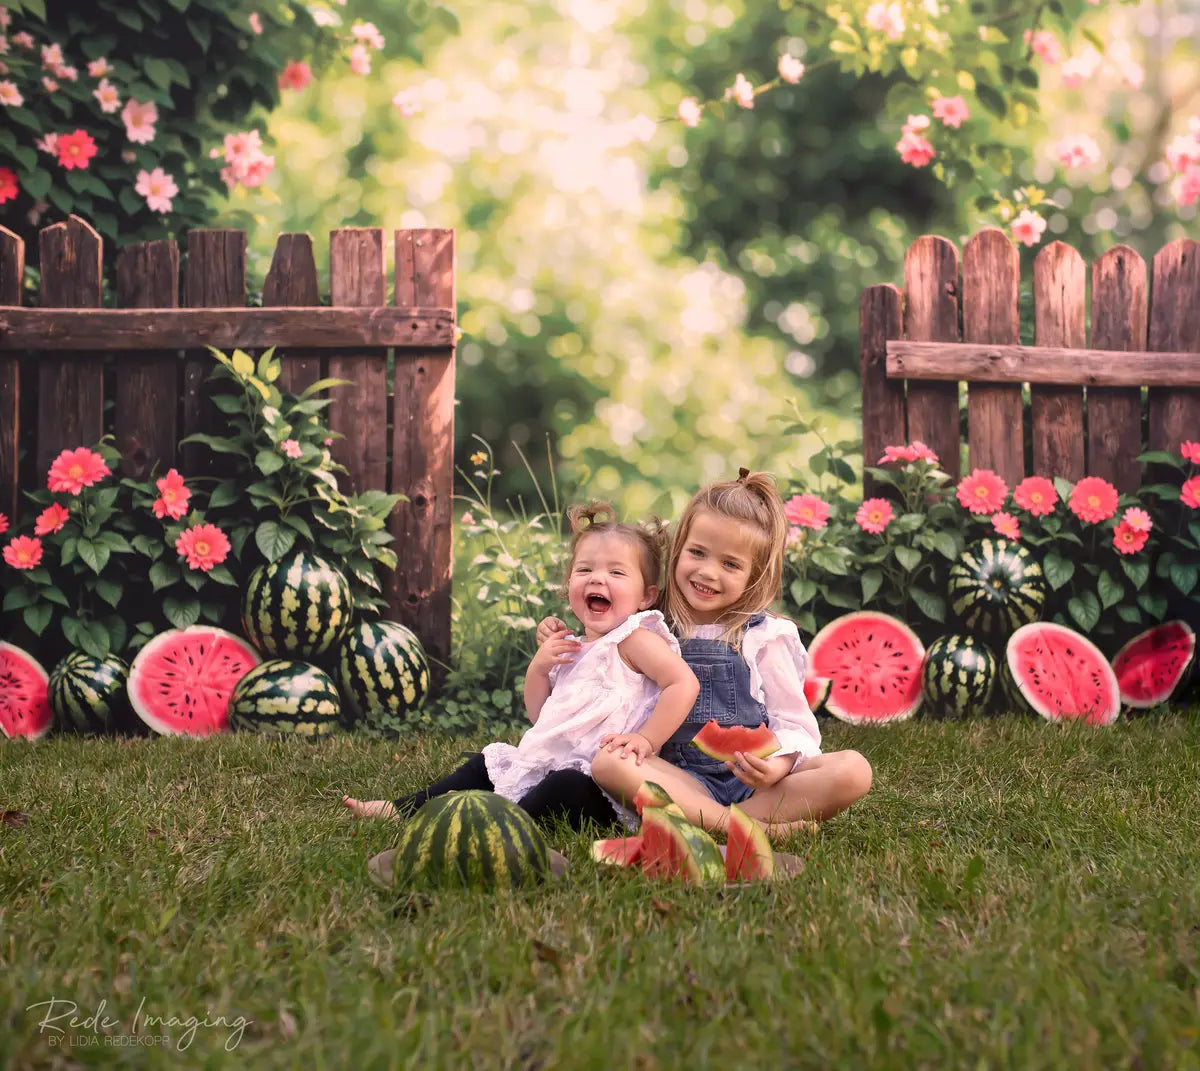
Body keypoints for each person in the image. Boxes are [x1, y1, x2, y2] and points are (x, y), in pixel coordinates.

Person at [536, 469, 872, 839]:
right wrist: (556, 631)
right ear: (678, 550)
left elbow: (794, 723)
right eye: (697, 553)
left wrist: (780, 764)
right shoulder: (648, 624)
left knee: (854, 770)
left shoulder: (764, 636)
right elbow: (598, 630)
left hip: (756, 786)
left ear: (754, 575)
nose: (708, 572)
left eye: (730, 564)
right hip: (675, 779)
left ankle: (714, 820)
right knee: (609, 764)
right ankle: (746, 829)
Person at [341, 502, 699, 831]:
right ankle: (404, 808)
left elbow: (683, 684)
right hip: (550, 764)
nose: (596, 579)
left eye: (616, 572)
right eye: (584, 569)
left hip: (601, 784)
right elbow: (539, 714)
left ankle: (503, 826)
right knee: (484, 764)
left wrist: (646, 740)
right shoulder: (571, 646)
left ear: (646, 596)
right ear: (569, 583)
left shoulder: (634, 638)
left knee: (564, 788)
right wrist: (540, 667)